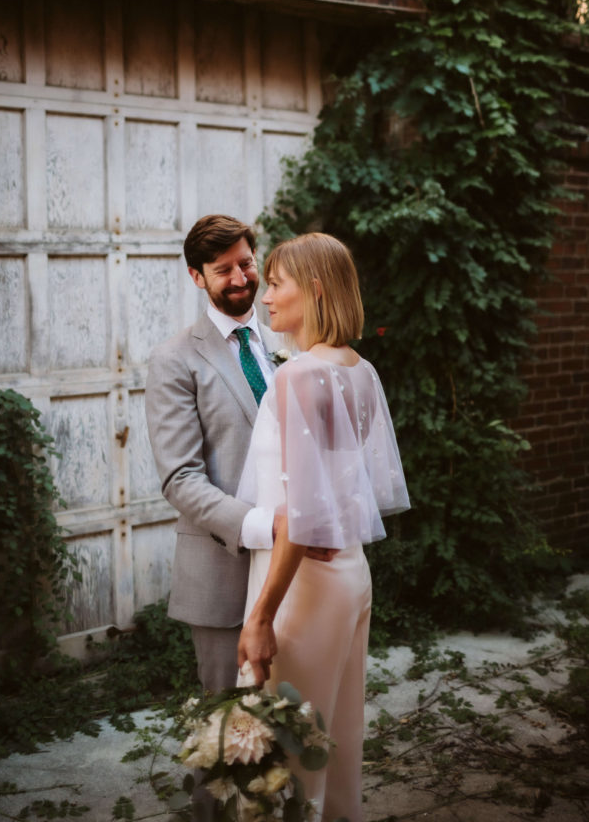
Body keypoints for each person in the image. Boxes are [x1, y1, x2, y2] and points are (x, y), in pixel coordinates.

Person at [236, 232, 410, 822]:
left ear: (312, 290)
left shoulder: (298, 377)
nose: (265, 299)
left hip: (304, 583)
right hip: (351, 574)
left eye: (276, 285)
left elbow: (304, 519)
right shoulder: (359, 370)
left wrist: (260, 616)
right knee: (335, 741)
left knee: (288, 756)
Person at [145, 214, 283, 694]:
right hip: (224, 570)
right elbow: (179, 477)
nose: (242, 278)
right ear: (196, 277)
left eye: (246, 263)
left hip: (298, 569)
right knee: (232, 732)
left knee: (296, 718)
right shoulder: (174, 359)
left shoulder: (290, 341)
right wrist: (262, 528)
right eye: (223, 270)